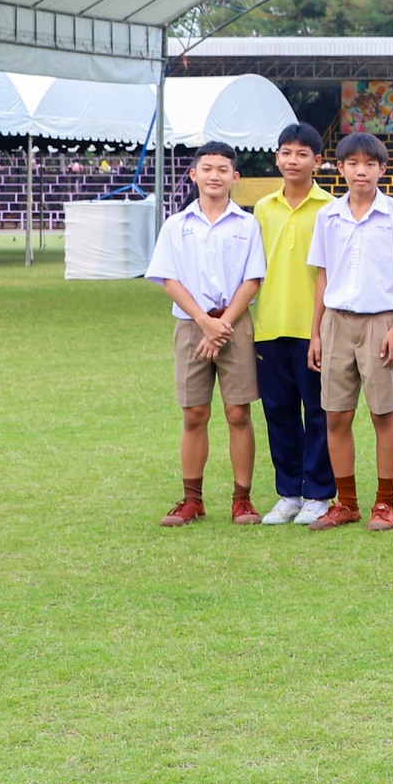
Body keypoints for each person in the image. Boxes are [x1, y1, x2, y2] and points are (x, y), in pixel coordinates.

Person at [305, 132, 393, 531]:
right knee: (336, 416)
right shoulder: (329, 216)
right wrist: (316, 333)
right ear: (339, 168)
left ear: (382, 169)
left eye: (370, 164)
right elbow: (323, 275)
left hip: (380, 322)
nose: (362, 171)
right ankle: (347, 503)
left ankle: (384, 503)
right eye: (353, 164)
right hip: (336, 321)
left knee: (382, 413)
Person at [146, 142, 268, 527]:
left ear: (235, 176)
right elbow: (168, 278)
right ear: (193, 174)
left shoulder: (246, 225)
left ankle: (242, 499)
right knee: (194, 413)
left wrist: (221, 324)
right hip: (191, 324)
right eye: (207, 168)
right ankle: (191, 500)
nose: (215, 175)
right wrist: (204, 322)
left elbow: (253, 279)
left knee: (238, 412)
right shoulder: (176, 225)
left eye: (223, 169)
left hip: (234, 322)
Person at [251, 122, 336, 527]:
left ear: (317, 161)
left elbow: (330, 272)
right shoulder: (263, 208)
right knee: (279, 412)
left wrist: (320, 330)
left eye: (302, 154)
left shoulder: (331, 208)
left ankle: (319, 494)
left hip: (313, 328)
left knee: (318, 412)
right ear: (277, 158)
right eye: (286, 152)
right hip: (269, 325)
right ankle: (289, 493)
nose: (293, 160)